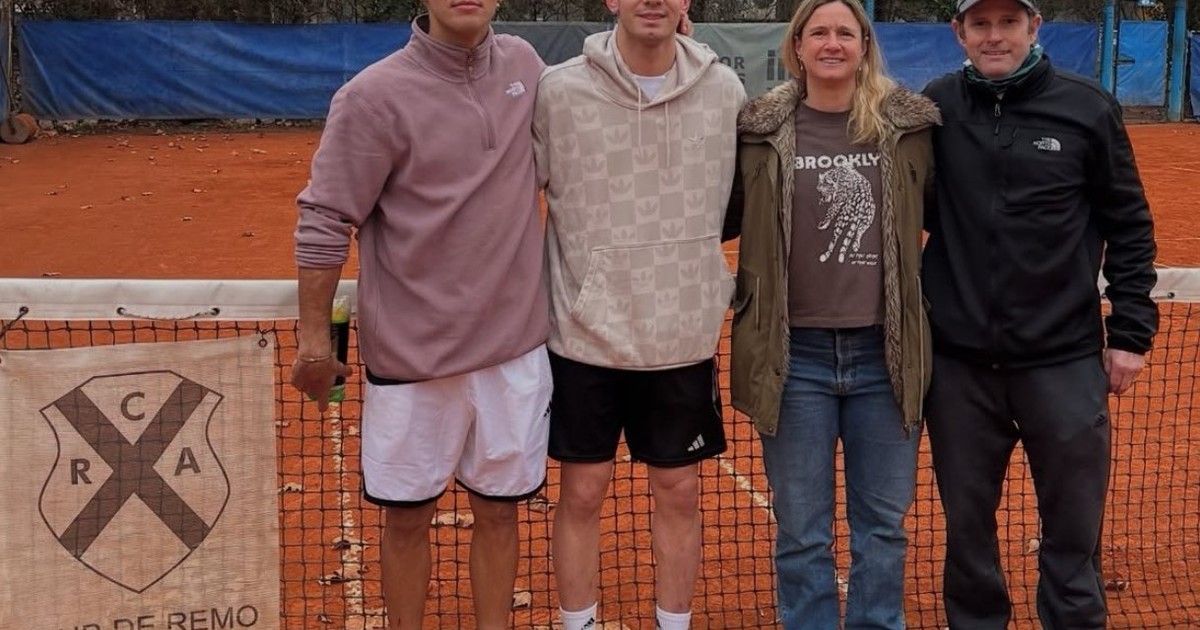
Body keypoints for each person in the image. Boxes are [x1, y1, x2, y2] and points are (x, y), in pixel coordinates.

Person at [291, 1, 552, 628]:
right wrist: (314, 343)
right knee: (406, 521)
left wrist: (672, 40)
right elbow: (326, 218)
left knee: (500, 513)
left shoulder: (526, 65)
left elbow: (600, 88)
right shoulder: (371, 97)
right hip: (411, 359)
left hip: (513, 351)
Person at [921, 0, 1159, 628]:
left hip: (1064, 361)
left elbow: (1129, 225)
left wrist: (1130, 334)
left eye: (1008, 23)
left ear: (1034, 27)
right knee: (967, 531)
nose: (994, 36)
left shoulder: (1087, 107)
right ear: (959, 33)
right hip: (959, 368)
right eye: (980, 24)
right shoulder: (935, 107)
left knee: (1073, 529)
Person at [723, 1, 939, 628]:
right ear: (797, 46)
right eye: (818, 32)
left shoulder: (909, 129)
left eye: (846, 32)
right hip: (794, 359)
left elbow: (952, 217)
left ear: (864, 45)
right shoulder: (757, 132)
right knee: (801, 531)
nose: (832, 43)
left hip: (886, 356)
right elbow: (717, 215)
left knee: (883, 527)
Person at [532, 0, 746, 627]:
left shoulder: (725, 91)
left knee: (679, 492)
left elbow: (741, 201)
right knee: (582, 491)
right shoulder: (558, 91)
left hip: (681, 337)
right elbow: (511, 195)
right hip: (584, 337)